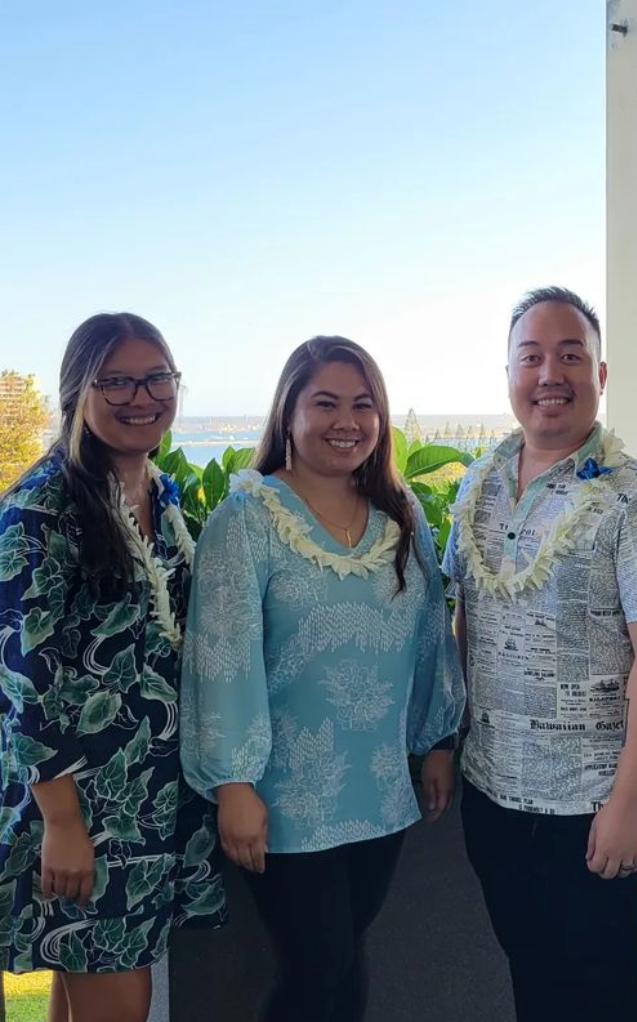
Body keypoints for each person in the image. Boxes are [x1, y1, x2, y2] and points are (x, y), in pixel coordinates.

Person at [179, 336, 464, 1022]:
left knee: (346, 960)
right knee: (314, 970)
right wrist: (235, 784)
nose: (347, 420)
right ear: (289, 412)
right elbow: (223, 656)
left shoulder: (402, 513)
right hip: (283, 797)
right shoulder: (247, 519)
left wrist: (439, 741)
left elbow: (430, 632)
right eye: (326, 402)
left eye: (363, 404)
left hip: (380, 786)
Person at [443, 287, 637, 1022]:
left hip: (592, 802)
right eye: (532, 356)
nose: (549, 373)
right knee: (533, 978)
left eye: (570, 355)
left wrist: (629, 801)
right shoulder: (478, 488)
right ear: (509, 374)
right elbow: (468, 620)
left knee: (603, 990)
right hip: (492, 792)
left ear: (601, 373)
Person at [0, 313, 225, 1022]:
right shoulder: (37, 511)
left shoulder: (163, 496)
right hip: (80, 806)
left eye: (157, 378)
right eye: (116, 380)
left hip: (149, 797)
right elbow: (26, 682)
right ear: (76, 391)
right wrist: (61, 821)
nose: (141, 396)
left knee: (87, 986)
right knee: (120, 1000)